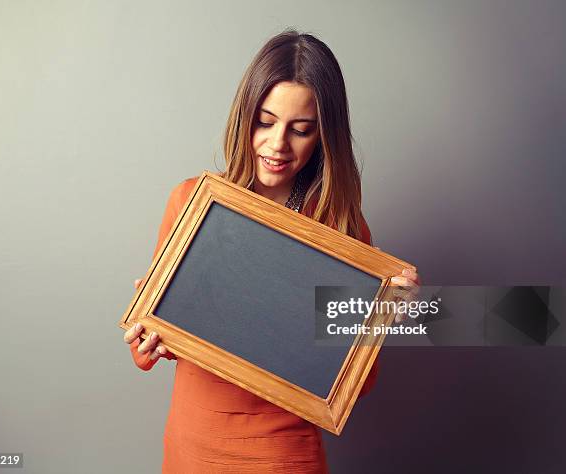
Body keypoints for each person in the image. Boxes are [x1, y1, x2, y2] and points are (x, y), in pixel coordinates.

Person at [123, 29, 419, 473]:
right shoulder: (192, 204)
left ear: (324, 135)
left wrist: (384, 319)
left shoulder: (341, 230)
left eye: (301, 130)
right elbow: (145, 347)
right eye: (265, 121)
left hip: (283, 454)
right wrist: (148, 335)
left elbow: (356, 383)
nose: (278, 144)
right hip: (193, 443)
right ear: (245, 117)